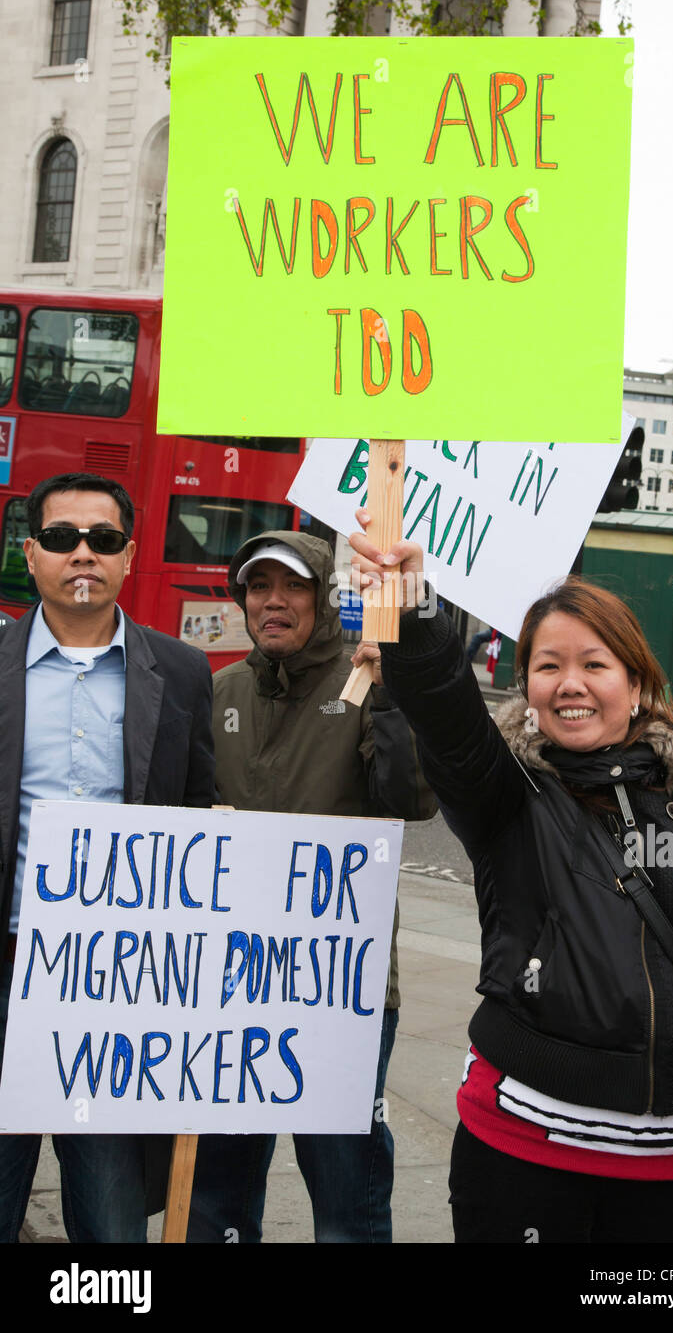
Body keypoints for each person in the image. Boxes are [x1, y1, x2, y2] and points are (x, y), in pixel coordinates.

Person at [348, 513, 673, 1244]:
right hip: (520, 1155)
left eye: (594, 664)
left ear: (636, 683)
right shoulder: (505, 795)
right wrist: (411, 610)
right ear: (528, 689)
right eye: (547, 666)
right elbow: (446, 712)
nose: (570, 684)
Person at [187, 530, 436, 1243]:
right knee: (217, 1181)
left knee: (345, 1183)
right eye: (258, 586)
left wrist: (393, 699)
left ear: (323, 599)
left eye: (291, 586)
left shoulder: (369, 681)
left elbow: (411, 800)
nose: (272, 602)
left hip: (340, 988)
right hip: (228, 979)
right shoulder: (220, 688)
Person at [0, 472, 215, 1243]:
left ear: (129, 553)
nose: (82, 553)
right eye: (62, 538)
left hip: (122, 985)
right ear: (32, 554)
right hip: (10, 970)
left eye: (103, 538)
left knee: (113, 1212)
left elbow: (199, 819)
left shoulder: (184, 673)